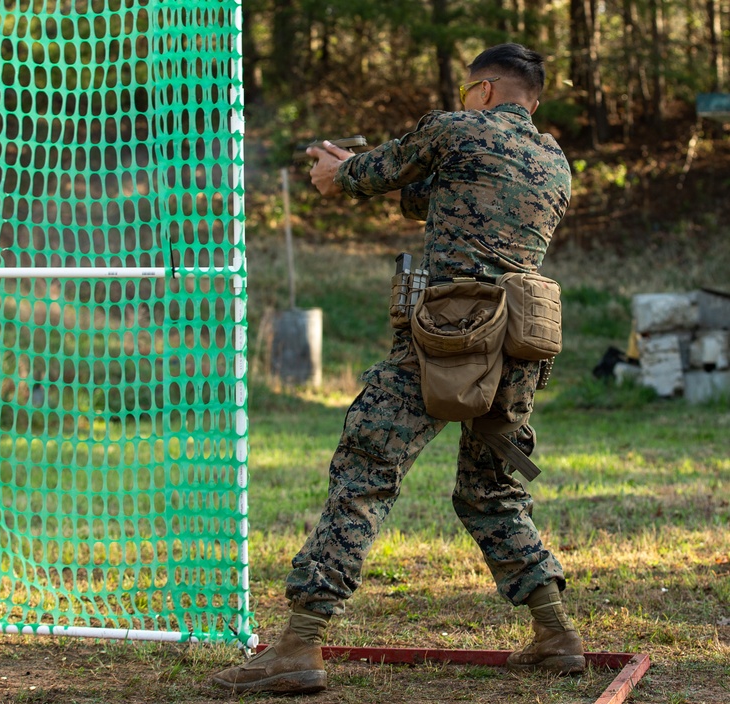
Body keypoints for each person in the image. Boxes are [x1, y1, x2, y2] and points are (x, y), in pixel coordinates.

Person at [212, 43, 584, 695]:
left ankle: (298, 645)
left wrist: (339, 169)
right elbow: (430, 198)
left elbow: (370, 174)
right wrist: (359, 166)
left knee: (364, 474)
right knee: (491, 492)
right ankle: (554, 633)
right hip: (520, 343)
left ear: (487, 90)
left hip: (447, 335)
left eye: (470, 90)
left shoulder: (453, 129)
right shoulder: (553, 160)